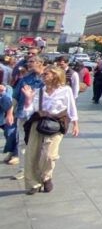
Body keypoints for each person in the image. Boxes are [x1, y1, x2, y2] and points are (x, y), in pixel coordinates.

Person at [21, 65, 79, 194]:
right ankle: (34, 184)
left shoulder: (66, 90)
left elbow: (71, 107)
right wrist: (28, 100)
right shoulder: (39, 90)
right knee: (31, 154)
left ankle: (46, 177)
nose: (43, 76)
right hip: (38, 122)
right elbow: (29, 112)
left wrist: (75, 123)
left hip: (56, 123)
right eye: (43, 74)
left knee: (49, 155)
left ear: (55, 75)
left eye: (46, 74)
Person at [7, 56, 44, 171]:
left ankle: (39, 167)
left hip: (41, 115)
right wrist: (10, 113)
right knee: (22, 142)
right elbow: (15, 97)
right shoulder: (25, 79)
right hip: (23, 114)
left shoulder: (47, 78)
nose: (28, 64)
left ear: (40, 63)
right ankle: (23, 169)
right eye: (28, 61)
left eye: (32, 61)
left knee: (42, 143)